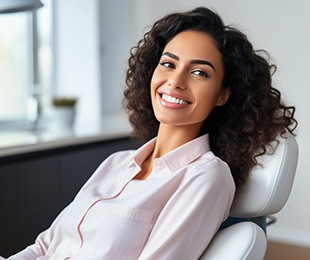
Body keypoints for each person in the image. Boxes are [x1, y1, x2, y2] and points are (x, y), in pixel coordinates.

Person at [8, 6, 297, 260]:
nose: (175, 81)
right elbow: (44, 245)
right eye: (168, 64)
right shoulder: (116, 163)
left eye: (199, 73)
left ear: (222, 95)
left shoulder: (206, 177)